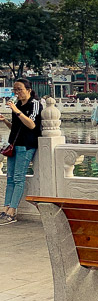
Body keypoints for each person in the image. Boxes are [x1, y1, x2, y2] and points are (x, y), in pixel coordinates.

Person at [0, 78, 43, 225]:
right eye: (15, 90)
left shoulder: (34, 104)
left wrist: (16, 111)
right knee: (10, 178)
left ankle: (12, 211)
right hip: (14, 144)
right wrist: (5, 121)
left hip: (26, 145)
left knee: (18, 178)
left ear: (28, 90)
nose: (17, 93)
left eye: (20, 89)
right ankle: (5, 209)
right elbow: (17, 128)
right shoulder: (17, 104)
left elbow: (31, 125)